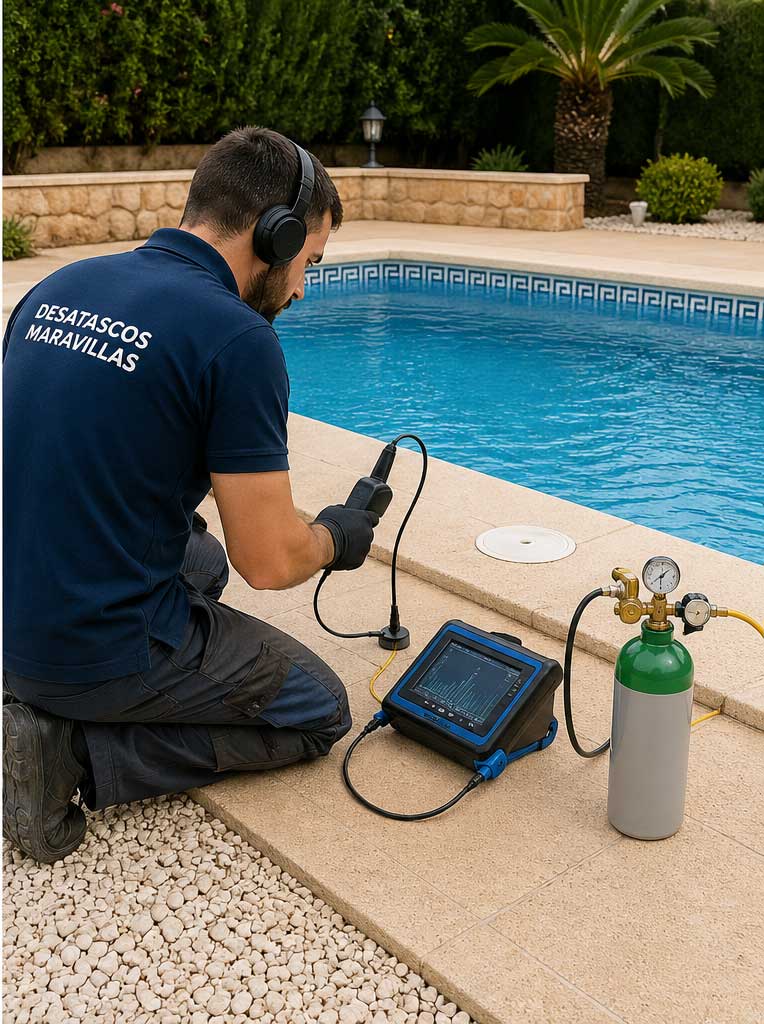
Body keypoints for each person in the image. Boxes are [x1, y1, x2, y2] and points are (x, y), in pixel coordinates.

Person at [2, 126, 379, 865]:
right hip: (85, 652)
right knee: (317, 708)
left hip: (9, 611)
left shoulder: (56, 287)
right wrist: (338, 533)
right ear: (278, 235)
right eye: (310, 261)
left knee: (201, 562)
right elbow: (269, 562)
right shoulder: (237, 339)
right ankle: (70, 751)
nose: (302, 287)